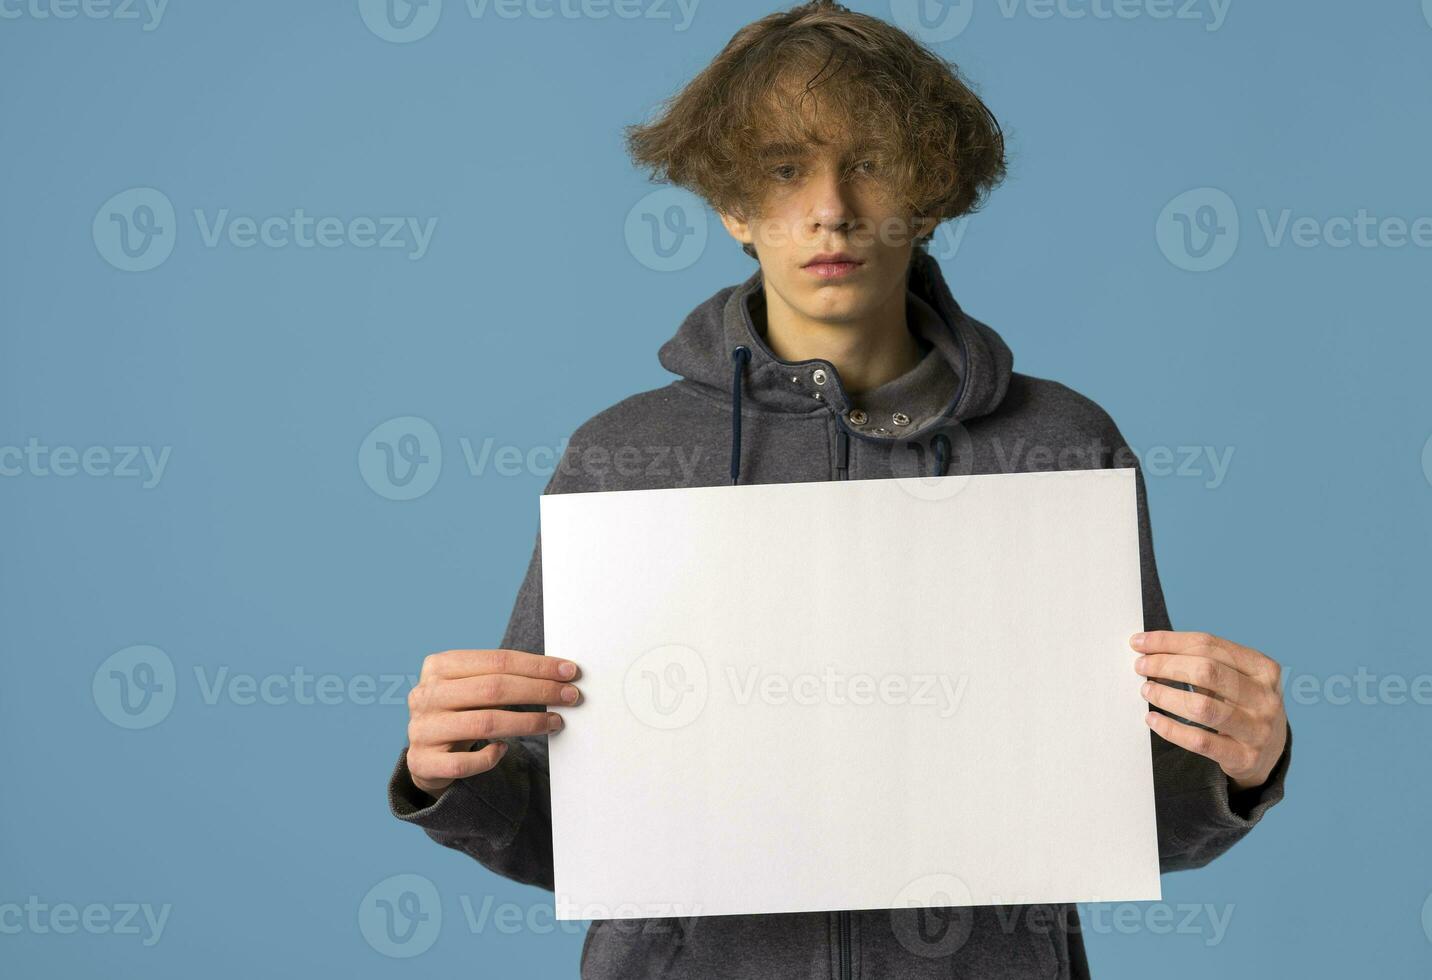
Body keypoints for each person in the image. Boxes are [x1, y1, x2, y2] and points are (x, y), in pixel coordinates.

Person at [386, 2, 1292, 976]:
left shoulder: (1061, 446)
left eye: (870, 161)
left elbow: (1120, 815)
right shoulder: (623, 456)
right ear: (733, 205)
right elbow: (559, 833)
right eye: (783, 168)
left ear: (933, 190)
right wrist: (451, 770)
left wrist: (1238, 764)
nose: (831, 207)